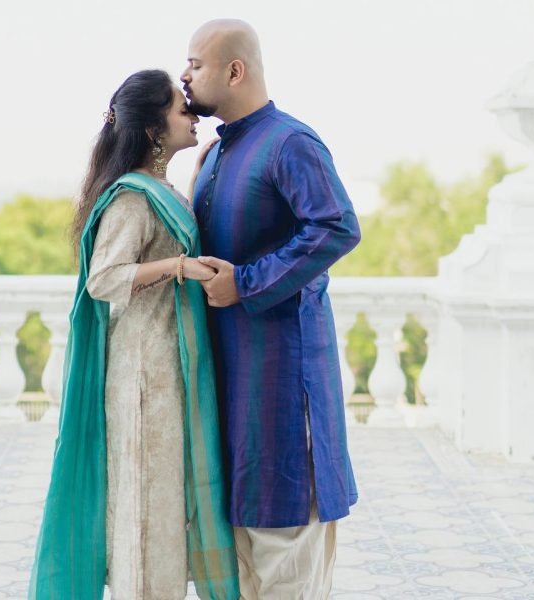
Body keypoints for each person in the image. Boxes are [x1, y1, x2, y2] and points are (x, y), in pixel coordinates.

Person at [27, 69, 239, 600]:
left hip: (169, 371)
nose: (191, 116)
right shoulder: (131, 198)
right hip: (143, 378)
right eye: (179, 109)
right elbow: (104, 279)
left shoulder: (162, 189)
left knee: (168, 509)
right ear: (152, 128)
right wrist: (179, 267)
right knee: (147, 510)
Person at [180, 19, 361, 599]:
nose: (185, 75)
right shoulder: (216, 154)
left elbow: (336, 226)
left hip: (283, 382)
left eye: (195, 64)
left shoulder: (290, 143)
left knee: (285, 548)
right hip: (232, 380)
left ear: (235, 71)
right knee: (239, 556)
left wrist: (249, 283)